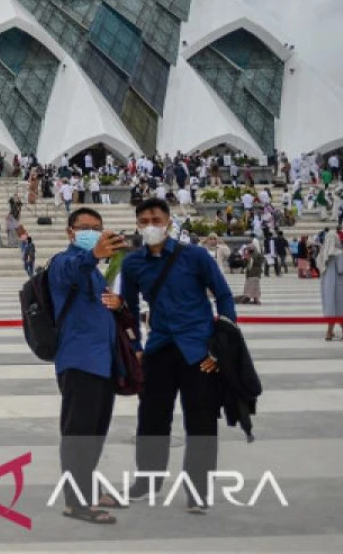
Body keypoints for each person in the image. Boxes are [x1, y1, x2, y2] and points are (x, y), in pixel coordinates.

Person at [122, 198, 237, 512]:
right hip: (159, 349)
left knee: (201, 421)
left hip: (199, 350)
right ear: (137, 224)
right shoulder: (133, 264)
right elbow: (129, 310)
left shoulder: (195, 257)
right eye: (144, 220)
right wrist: (136, 348)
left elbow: (224, 296)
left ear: (169, 222)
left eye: (156, 219)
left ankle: (199, 490)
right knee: (151, 418)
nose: (150, 226)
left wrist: (221, 345)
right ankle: (147, 480)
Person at [49, 207, 131, 524]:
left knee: (95, 433)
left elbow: (105, 307)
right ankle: (76, 502)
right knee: (78, 434)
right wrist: (93, 254)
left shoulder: (97, 273)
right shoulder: (63, 263)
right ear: (70, 232)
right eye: (85, 227)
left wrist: (119, 303)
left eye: (97, 228)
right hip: (79, 361)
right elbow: (72, 270)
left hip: (103, 362)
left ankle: (89, 487)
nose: (92, 232)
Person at [318, 229, 343, 341]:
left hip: (326, 284)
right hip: (337, 284)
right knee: (339, 307)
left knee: (331, 307)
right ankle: (330, 332)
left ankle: (340, 331)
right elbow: (341, 270)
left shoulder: (323, 252)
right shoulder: (339, 253)